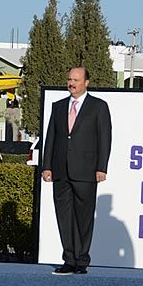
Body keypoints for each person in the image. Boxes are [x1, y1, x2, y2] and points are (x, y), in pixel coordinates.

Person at [42, 67, 112, 275]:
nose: (71, 83)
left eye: (76, 79)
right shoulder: (59, 106)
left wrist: (101, 167)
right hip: (60, 171)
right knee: (64, 217)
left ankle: (82, 260)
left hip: (86, 171)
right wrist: (47, 166)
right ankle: (69, 258)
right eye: (69, 79)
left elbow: (105, 139)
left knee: (83, 217)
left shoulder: (98, 107)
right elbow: (51, 139)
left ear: (86, 82)